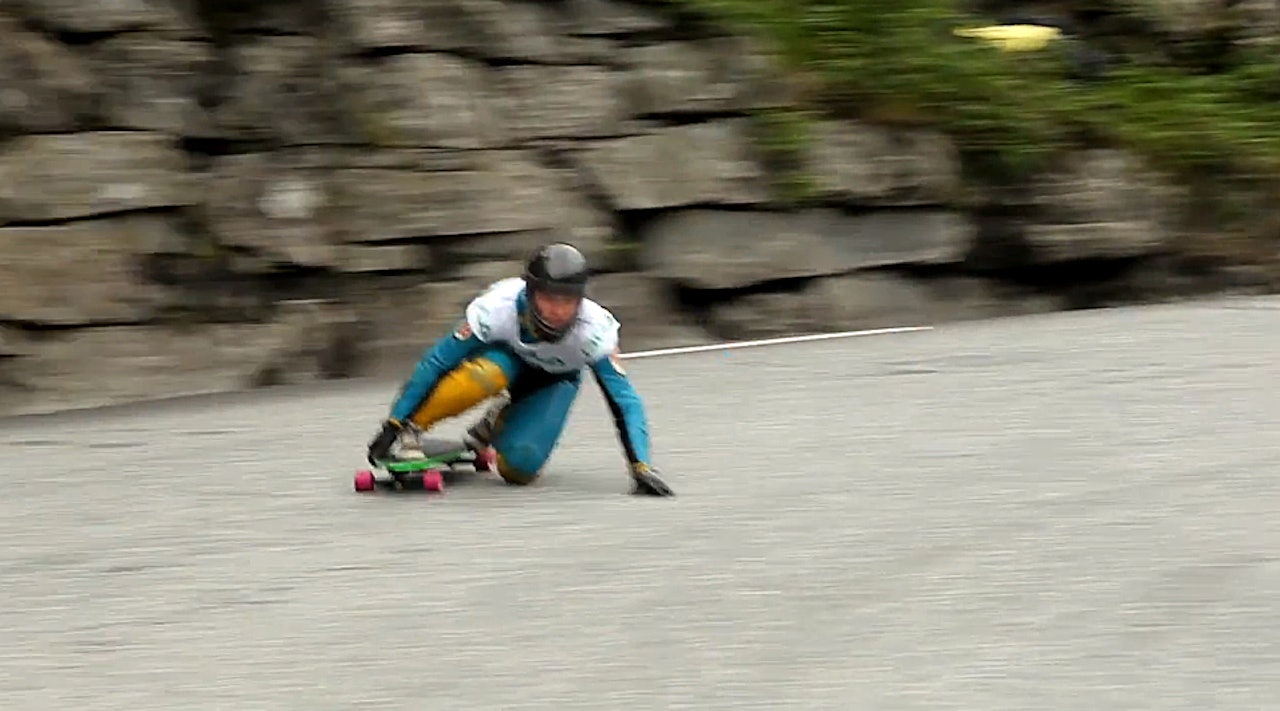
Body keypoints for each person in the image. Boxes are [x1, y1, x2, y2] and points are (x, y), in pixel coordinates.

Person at [365, 242, 674, 497]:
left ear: (581, 300)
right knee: (485, 375)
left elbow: (624, 401)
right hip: (502, 362)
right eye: (548, 298)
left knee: (519, 469)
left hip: (552, 381)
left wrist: (641, 466)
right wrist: (395, 421)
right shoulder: (496, 307)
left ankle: (496, 422)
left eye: (567, 301)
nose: (556, 310)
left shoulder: (595, 332)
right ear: (529, 292)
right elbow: (437, 361)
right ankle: (413, 431)